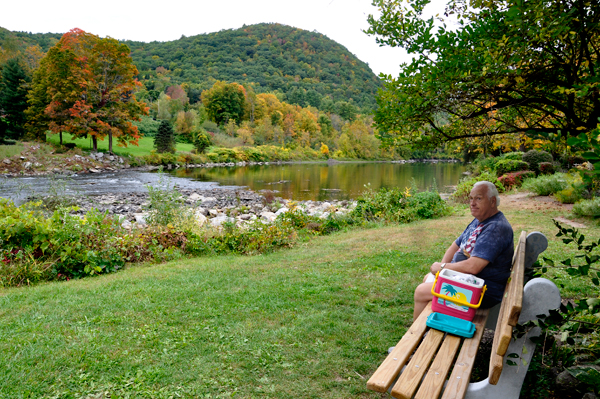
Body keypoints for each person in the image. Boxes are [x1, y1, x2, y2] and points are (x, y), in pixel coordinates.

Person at [413, 181, 514, 321]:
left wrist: (442, 268)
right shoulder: (480, 220)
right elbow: (456, 244)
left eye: (478, 198)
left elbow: (474, 267)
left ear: (493, 201)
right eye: (471, 198)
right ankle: (431, 327)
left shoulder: (495, 228)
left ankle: (418, 338)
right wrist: (442, 273)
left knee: (421, 291)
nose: (472, 203)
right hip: (469, 282)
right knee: (428, 278)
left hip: (483, 291)